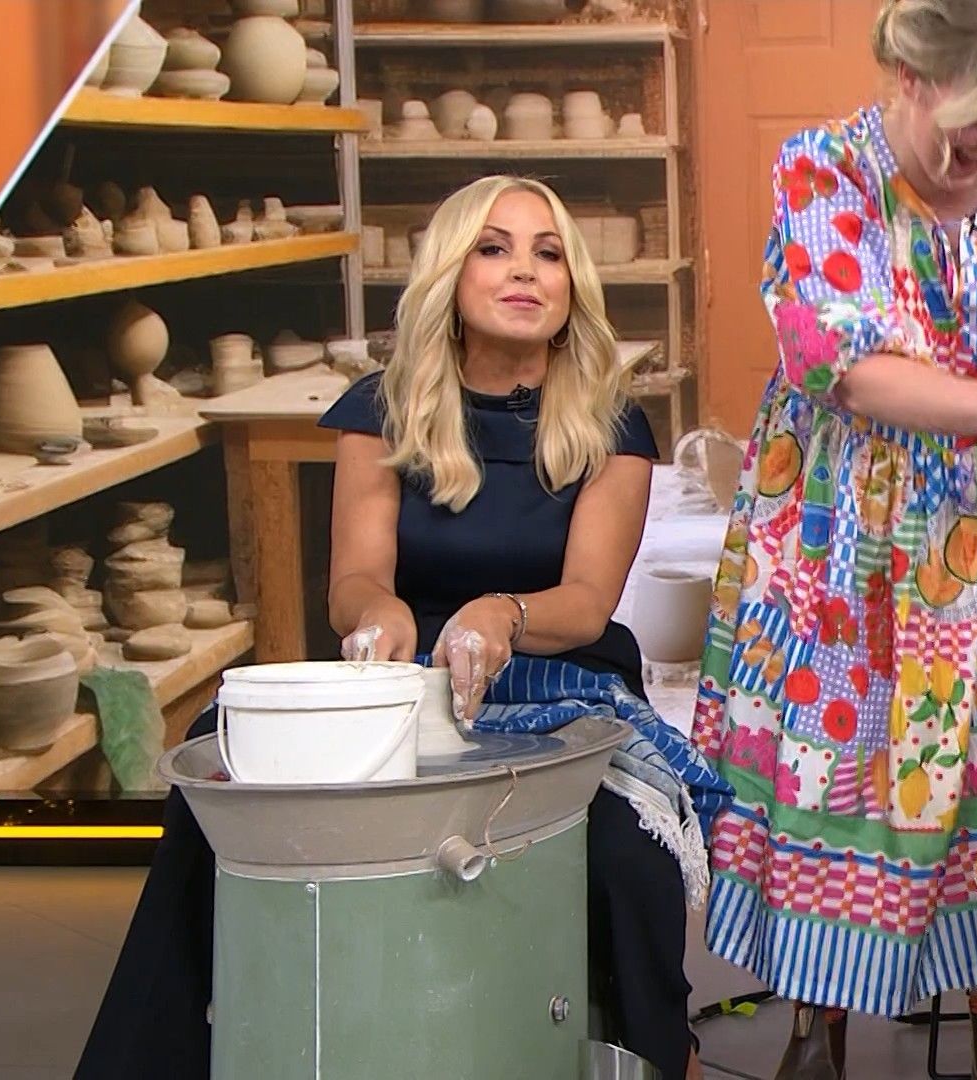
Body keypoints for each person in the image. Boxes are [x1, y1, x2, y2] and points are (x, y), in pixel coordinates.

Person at [78, 176, 715, 1080]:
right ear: (450, 275)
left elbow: (584, 599)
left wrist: (504, 614)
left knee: (625, 851)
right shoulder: (384, 408)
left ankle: (660, 1053)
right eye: (494, 248)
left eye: (548, 254)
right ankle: (153, 1058)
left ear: (573, 288)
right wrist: (379, 614)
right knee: (221, 785)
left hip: (556, 665)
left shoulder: (611, 424)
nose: (524, 271)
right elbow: (356, 581)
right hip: (405, 671)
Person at [688, 0, 977, 1076]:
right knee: (833, 759)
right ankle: (819, 1024)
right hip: (845, 536)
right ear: (910, 76)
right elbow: (851, 372)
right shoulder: (825, 172)